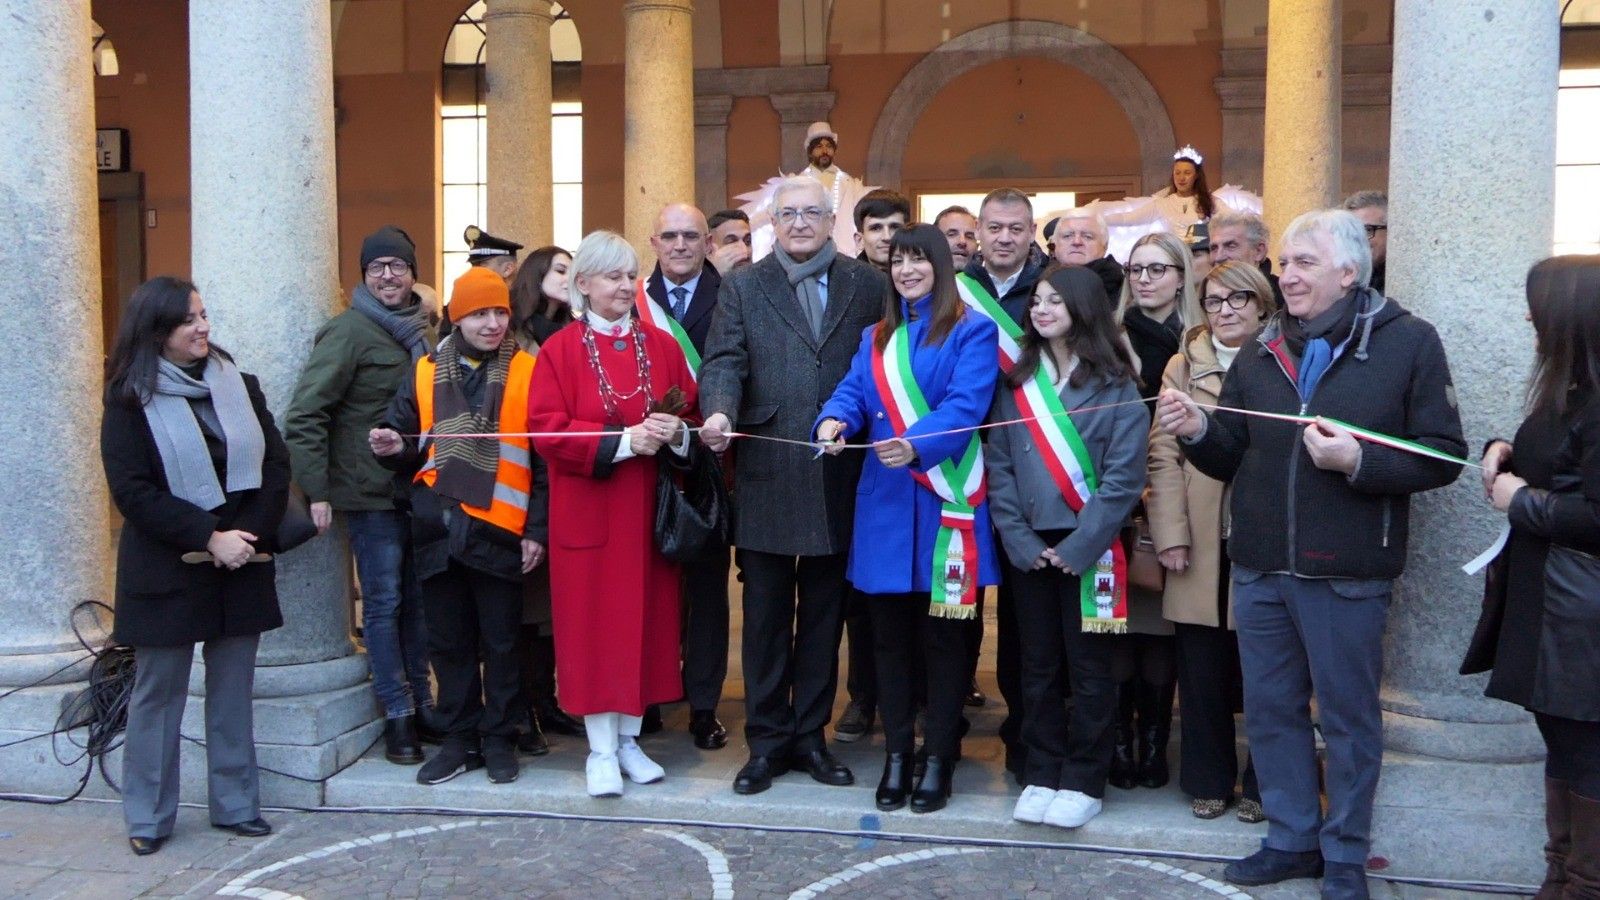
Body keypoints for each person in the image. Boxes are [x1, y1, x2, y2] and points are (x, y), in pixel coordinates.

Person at [1156, 208, 1465, 897]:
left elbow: (1444, 456)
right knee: (1269, 711)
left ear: (1349, 272)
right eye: (1285, 263)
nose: (1285, 275)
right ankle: (1291, 838)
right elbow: (1230, 452)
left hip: (1347, 571)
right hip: (1262, 564)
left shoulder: (1409, 343)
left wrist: (1360, 461)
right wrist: (1197, 427)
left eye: (1303, 264)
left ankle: (1346, 853)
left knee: (1349, 721)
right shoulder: (1263, 349)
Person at [699, 175, 888, 795]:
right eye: (789, 215)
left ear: (832, 220)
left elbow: (881, 366)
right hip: (767, 469)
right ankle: (767, 741)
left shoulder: (868, 284)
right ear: (771, 225)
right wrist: (720, 412)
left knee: (825, 619)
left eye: (812, 213)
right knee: (764, 620)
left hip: (840, 471)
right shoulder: (744, 286)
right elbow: (724, 359)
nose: (800, 223)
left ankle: (811, 738)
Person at [814, 224, 1001, 813]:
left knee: (946, 642)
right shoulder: (875, 337)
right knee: (887, 642)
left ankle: (939, 755)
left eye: (920, 259)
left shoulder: (974, 330)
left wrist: (915, 443)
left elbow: (966, 405)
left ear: (942, 267)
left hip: (949, 504)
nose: (907, 270)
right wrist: (833, 421)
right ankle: (898, 753)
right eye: (899, 260)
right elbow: (850, 393)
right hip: (887, 508)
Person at [102, 276, 288, 856]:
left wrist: (244, 536)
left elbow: (276, 465)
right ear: (157, 330)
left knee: (232, 690)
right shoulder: (129, 398)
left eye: (204, 315)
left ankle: (235, 806)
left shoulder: (240, 385)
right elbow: (131, 491)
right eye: (189, 319)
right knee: (158, 694)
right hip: (168, 566)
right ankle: (149, 816)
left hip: (241, 562)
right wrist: (209, 536)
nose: (204, 327)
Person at [525, 230, 698, 797]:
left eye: (631, 276)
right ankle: (599, 750)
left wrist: (674, 433)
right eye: (612, 277)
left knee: (644, 630)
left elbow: (688, 413)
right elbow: (547, 430)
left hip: (647, 514)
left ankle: (629, 741)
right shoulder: (559, 350)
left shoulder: (661, 344)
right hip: (591, 514)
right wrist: (624, 442)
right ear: (582, 286)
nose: (625, 286)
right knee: (594, 633)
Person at [986, 266, 1147, 830]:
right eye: (1038, 300)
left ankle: (1084, 778)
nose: (1042, 309)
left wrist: (1080, 546)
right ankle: (1042, 769)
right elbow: (999, 465)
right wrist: (1020, 539)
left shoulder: (1117, 383)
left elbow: (1124, 479)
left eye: (1056, 300)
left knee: (1090, 668)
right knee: (1037, 666)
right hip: (1029, 547)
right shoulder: (1017, 382)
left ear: (1083, 308)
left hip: (1092, 546)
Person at [371, 266, 544, 788]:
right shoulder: (423, 371)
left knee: (503, 642)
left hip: (500, 528)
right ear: (456, 317)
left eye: (499, 313)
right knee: (448, 644)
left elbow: (545, 461)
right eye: (478, 314)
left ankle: (499, 738)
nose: (492, 324)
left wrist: (536, 528)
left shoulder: (528, 372)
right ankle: (459, 740)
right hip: (438, 531)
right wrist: (392, 447)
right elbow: (407, 442)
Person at [284, 225, 436, 766]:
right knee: (384, 602)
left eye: (398, 265)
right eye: (377, 268)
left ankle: (423, 702)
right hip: (368, 494)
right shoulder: (348, 332)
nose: (388, 275)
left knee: (419, 605)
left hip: (417, 489)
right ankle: (397, 714)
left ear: (414, 272)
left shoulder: (427, 331)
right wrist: (316, 490)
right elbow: (305, 415)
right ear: (364, 276)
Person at [1479, 256, 1600, 899]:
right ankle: (1560, 880)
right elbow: (1561, 467)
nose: (1528, 316)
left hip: (1580, 618)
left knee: (1586, 759)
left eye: (1538, 305)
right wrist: (1505, 450)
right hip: (1554, 606)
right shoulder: (1573, 392)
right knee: (1566, 752)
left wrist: (1522, 501)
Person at [1145, 260, 1273, 823]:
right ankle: (1207, 777)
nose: (1226, 310)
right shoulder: (1183, 362)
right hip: (1198, 536)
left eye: (1239, 299)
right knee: (1200, 669)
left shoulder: (1282, 359)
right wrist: (1170, 533)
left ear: (1263, 304)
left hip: (1260, 531)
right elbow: (1163, 453)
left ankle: (1265, 780)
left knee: (1268, 669)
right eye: (1215, 300)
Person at [961, 187, 1049, 780]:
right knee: (959, 593)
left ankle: (1026, 728)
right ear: (979, 232)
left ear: (1030, 231)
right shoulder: (955, 290)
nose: (1004, 237)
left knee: (1025, 609)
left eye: (1016, 228)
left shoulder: (1052, 290)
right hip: (961, 458)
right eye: (994, 227)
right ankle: (948, 714)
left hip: (1034, 459)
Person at [1109, 230, 1199, 793]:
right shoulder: (1108, 337)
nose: (1144, 279)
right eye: (1137, 269)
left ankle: (1153, 740)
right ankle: (1120, 740)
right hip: (1116, 493)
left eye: (1157, 269)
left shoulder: (1200, 340)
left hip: (1178, 493)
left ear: (1181, 276)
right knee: (1119, 622)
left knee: (1165, 627)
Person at [644, 202, 731, 751]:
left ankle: (704, 706)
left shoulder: (734, 296)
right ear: (653, 242)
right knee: (651, 591)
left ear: (708, 244)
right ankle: (648, 695)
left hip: (712, 465)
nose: (680, 245)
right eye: (670, 236)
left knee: (706, 595)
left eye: (691, 236)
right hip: (646, 463)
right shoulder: (631, 300)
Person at [1208, 210, 1285, 307]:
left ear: (1258, 251)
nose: (1218, 257)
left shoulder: (1286, 298)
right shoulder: (1204, 298)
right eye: (1214, 248)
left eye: (1231, 246)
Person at [1050, 208, 1125, 306]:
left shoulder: (1121, 288)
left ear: (1105, 246)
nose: (1077, 242)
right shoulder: (1041, 280)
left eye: (1087, 236)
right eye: (1067, 236)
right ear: (1054, 245)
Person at [509, 245, 574, 350]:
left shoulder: (573, 329)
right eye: (561, 271)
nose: (571, 279)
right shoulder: (509, 323)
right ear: (537, 275)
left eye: (574, 274)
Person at [853, 188, 911, 272]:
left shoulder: (926, 279)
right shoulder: (842, 282)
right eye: (876, 228)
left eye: (895, 227)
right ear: (859, 240)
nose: (887, 237)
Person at [1342, 191, 1388, 294]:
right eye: (1352, 231)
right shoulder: (1339, 277)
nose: (1358, 239)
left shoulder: (1404, 278)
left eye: (1367, 230)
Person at [935, 205, 979, 272]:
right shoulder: (919, 280)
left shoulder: (986, 282)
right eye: (952, 234)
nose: (962, 241)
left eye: (969, 237)